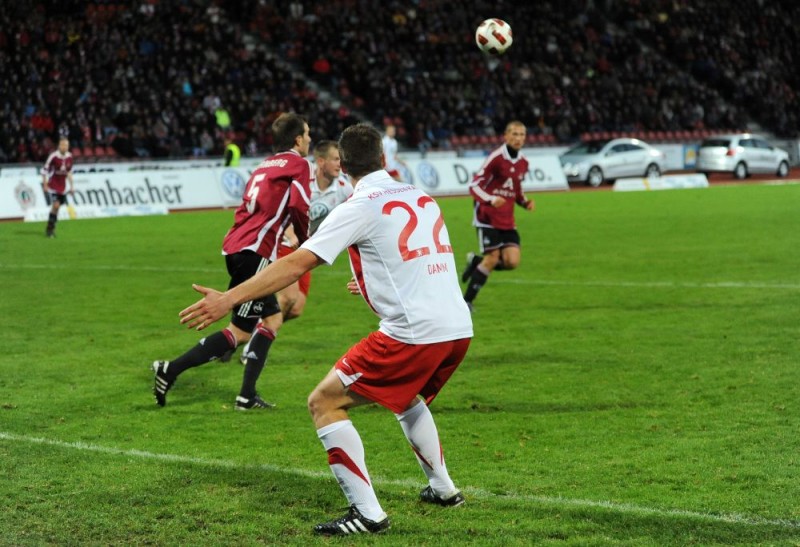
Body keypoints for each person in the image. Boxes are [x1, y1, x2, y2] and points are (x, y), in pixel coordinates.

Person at [178, 123, 473, 536]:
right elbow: (418, 256)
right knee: (406, 397)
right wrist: (373, 279)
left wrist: (228, 300)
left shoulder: (359, 205)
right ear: (384, 159)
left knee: (324, 403)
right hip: (458, 326)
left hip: (413, 331)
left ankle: (368, 515)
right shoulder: (419, 194)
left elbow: (296, 263)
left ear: (344, 166)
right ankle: (443, 489)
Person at [152, 112, 313, 410]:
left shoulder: (264, 165)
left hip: (237, 246)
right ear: (297, 139)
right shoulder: (299, 164)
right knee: (239, 331)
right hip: (257, 252)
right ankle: (170, 370)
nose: (310, 139)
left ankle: (247, 394)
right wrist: (307, 241)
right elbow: (299, 205)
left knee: (272, 318)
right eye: (307, 133)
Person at [461, 120, 535, 310]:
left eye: (522, 135)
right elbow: (474, 185)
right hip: (487, 217)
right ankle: (466, 302)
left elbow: (516, 188)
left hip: (507, 219)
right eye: (515, 134)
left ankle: (477, 262)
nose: (518, 138)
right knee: (493, 258)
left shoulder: (523, 162)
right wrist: (491, 199)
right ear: (506, 136)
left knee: (512, 262)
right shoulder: (496, 158)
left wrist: (524, 202)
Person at [41, 136, 75, 238]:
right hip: (53, 186)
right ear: (59, 146)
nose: (65, 147)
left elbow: (69, 172)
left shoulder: (70, 157)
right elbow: (44, 171)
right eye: (63, 145)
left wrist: (72, 186)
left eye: (67, 145)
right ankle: (50, 229)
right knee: (55, 205)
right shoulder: (53, 156)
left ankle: (51, 226)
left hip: (62, 188)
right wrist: (45, 184)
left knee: (56, 208)